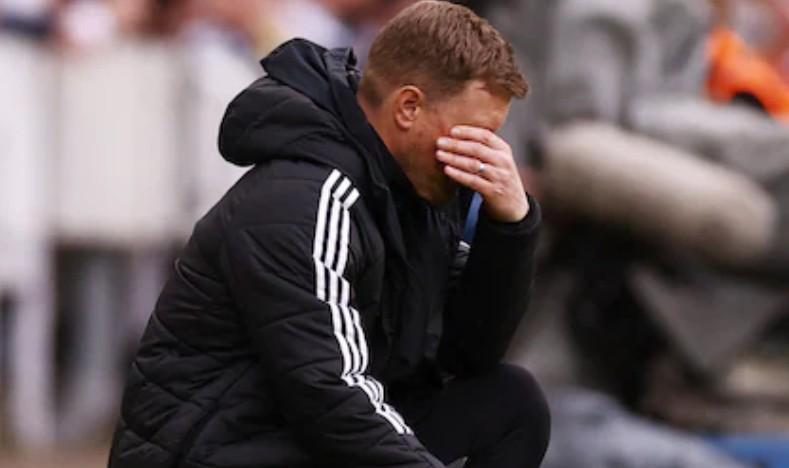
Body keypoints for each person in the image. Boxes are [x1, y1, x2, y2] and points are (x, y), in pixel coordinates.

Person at [108, 1, 549, 467]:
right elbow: (328, 392)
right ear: (409, 107)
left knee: (510, 402)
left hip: (300, 434)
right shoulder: (304, 197)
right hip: (223, 449)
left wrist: (511, 226)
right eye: (475, 133)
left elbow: (467, 355)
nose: (485, 154)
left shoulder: (422, 189)